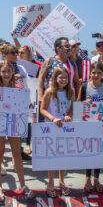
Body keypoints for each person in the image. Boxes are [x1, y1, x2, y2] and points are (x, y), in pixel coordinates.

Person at [0, 61, 35, 202]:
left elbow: (25, 104)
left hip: (14, 123)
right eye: (3, 72)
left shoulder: (18, 87)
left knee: (17, 154)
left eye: (8, 71)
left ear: (12, 73)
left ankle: (22, 185)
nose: (6, 74)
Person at [40, 67, 73, 197]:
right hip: (51, 127)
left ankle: (62, 181)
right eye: (60, 77)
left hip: (65, 128)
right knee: (52, 156)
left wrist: (69, 115)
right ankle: (50, 182)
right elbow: (42, 109)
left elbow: (71, 108)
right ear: (55, 78)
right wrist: (53, 118)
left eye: (65, 77)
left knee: (63, 156)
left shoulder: (71, 92)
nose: (63, 80)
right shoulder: (49, 92)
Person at [77, 62, 103, 193]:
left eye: (99, 73)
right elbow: (78, 102)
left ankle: (96, 178)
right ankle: (87, 178)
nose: (96, 75)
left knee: (98, 153)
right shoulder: (84, 86)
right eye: (93, 72)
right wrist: (85, 102)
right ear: (90, 73)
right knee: (88, 151)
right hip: (87, 125)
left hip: (101, 124)